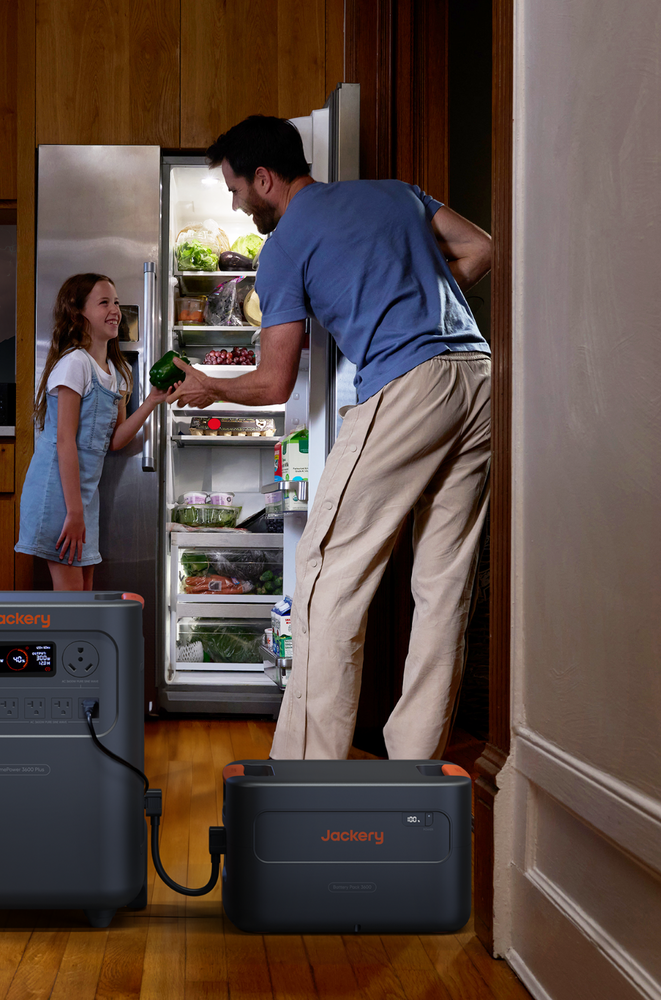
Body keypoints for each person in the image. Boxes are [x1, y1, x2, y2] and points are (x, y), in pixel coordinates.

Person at [170, 116, 493, 761]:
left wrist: (208, 387)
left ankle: (303, 771)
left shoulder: (285, 245)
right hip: (480, 377)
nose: (236, 203)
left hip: (408, 384)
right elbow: (480, 248)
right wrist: (411, 299)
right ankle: (415, 760)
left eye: (236, 189)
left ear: (265, 178)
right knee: (444, 581)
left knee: (325, 574)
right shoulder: (397, 192)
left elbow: (272, 385)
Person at [16, 273, 177, 590]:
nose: (115, 309)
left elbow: (114, 440)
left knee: (83, 599)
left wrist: (153, 401)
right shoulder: (74, 364)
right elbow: (65, 442)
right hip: (58, 496)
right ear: (78, 314)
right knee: (74, 605)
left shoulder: (115, 372)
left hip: (82, 499)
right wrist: (74, 512)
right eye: (104, 302)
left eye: (115, 301)